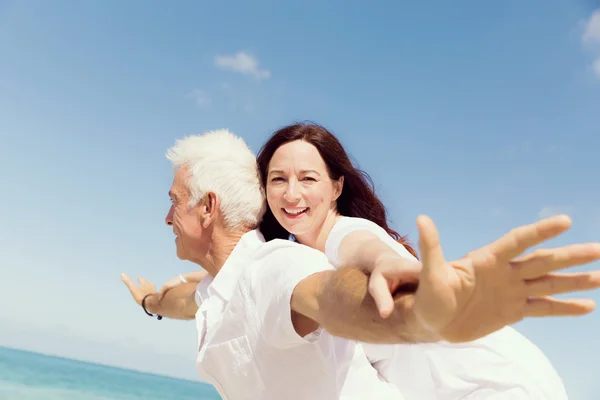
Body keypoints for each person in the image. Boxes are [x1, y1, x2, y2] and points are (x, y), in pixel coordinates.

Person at [123, 128, 600, 400]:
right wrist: (152, 300)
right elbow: (208, 295)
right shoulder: (282, 257)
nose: (291, 194)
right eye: (277, 179)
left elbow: (362, 264)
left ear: (336, 188)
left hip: (493, 384)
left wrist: (406, 282)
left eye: (308, 178)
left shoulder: (344, 236)